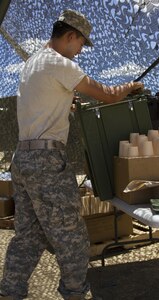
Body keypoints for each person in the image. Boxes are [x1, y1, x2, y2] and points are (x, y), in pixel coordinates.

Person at [0, 9, 144, 300]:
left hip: (23, 159)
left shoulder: (34, 62)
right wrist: (129, 87)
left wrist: (65, 102)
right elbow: (107, 94)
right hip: (46, 163)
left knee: (28, 235)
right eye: (81, 44)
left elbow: (43, 101)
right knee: (73, 237)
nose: (80, 51)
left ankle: (9, 292)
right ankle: (76, 293)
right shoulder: (58, 63)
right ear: (70, 36)